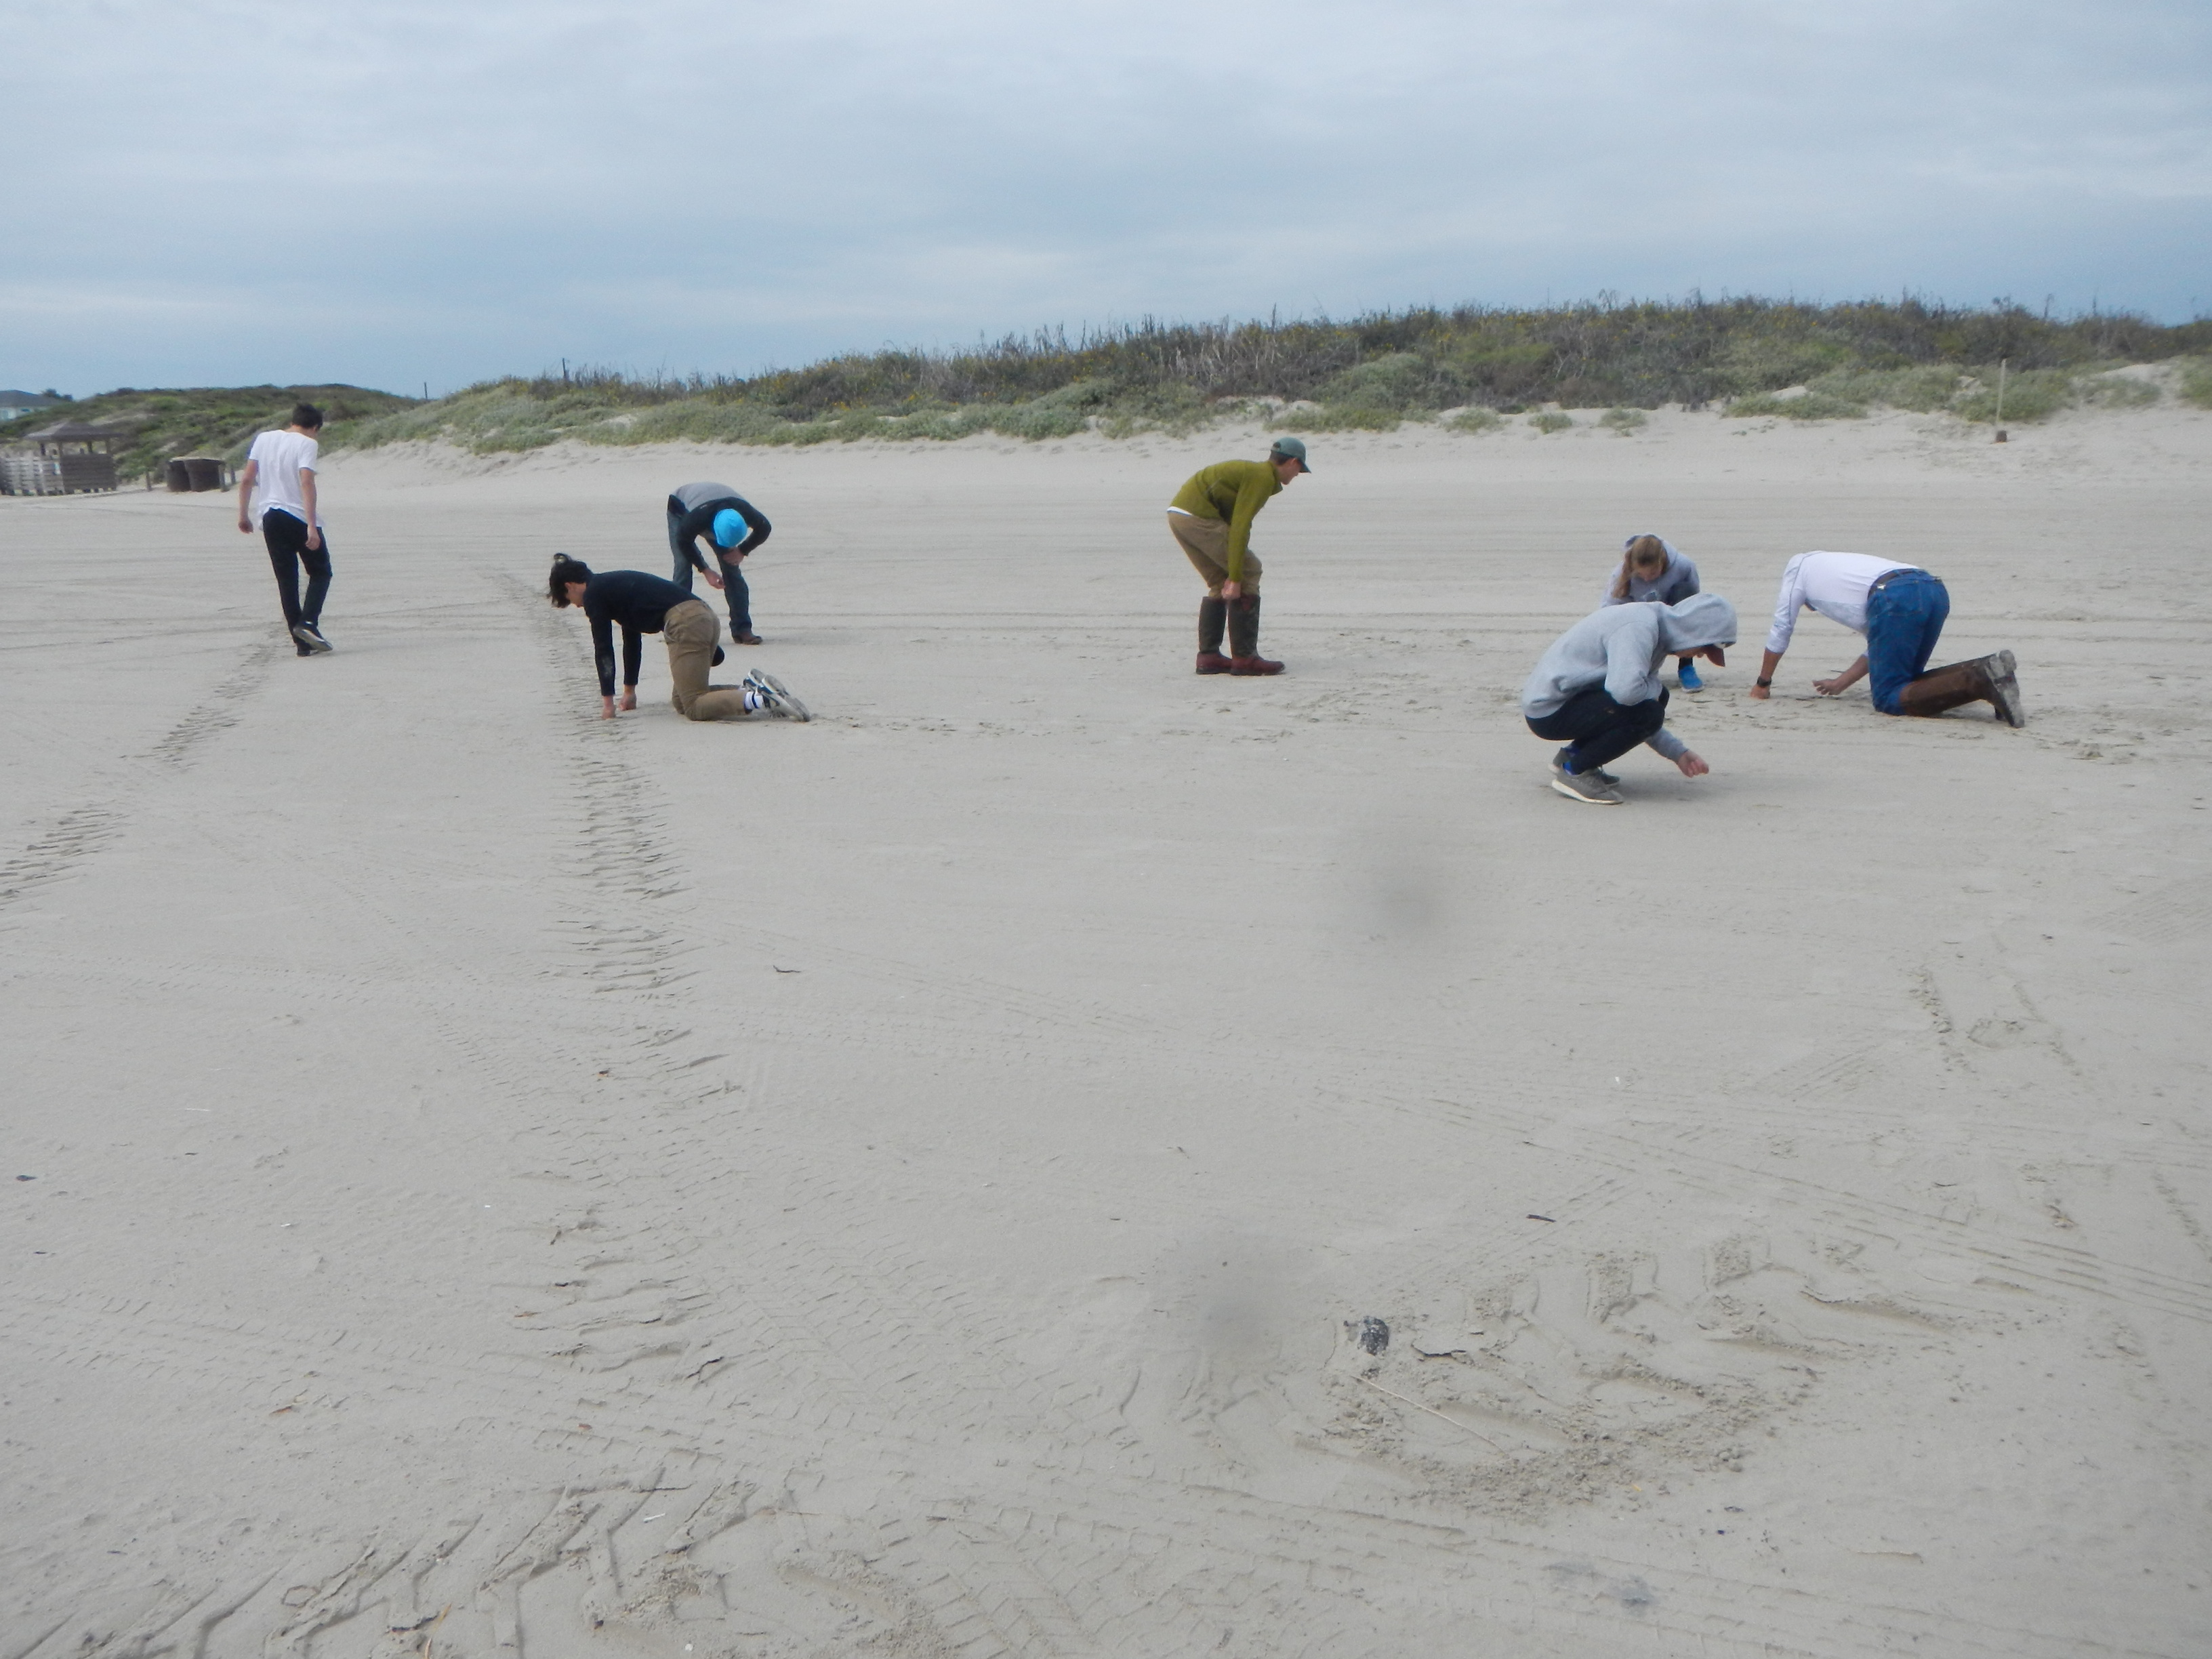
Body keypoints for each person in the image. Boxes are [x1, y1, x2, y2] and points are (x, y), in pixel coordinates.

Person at [1749, 551, 2023, 725]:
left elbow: (1781, 628)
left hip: (1894, 596)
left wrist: (1763, 683)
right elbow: (1878, 644)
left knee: (1888, 699)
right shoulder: (1833, 566)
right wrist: (1841, 683)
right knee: (1908, 680)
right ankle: (1989, 669)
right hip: (1931, 587)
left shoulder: (1796, 573)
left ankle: (1979, 681)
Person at [1521, 594, 1737, 804]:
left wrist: (1677, 753)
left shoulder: (1657, 630)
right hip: (1548, 710)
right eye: (1705, 647)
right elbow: (1626, 694)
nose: (1700, 655)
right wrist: (1655, 688)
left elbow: (1634, 704)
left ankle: (1571, 758)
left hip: (1565, 700)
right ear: (1695, 631)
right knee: (1651, 705)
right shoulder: (1639, 627)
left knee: (1652, 701)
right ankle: (1575, 773)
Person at [546, 554, 806, 723]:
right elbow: (631, 642)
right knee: (682, 700)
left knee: (693, 706)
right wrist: (629, 693)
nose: (577, 606)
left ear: (570, 586)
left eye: (569, 600)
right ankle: (751, 691)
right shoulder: (612, 587)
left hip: (686, 623)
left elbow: (603, 649)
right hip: (702, 615)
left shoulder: (594, 595)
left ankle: (763, 700)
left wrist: (607, 705)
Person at [1166, 436, 1310, 676]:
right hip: (1198, 516)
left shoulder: (1255, 472)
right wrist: (1236, 576)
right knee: (1250, 569)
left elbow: (1234, 524)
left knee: (1218, 582)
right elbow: (1241, 527)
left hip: (1178, 514)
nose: (1297, 475)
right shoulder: (1263, 477)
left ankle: (1209, 657)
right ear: (1293, 462)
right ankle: (1245, 658)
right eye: (1300, 470)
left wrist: (1231, 576)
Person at [236, 403, 333, 656]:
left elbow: (247, 478)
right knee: (321, 572)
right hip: (297, 516)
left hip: (270, 517)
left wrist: (243, 514)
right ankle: (308, 623)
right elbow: (306, 481)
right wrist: (312, 526)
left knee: (287, 580)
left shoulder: (264, 438)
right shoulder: (307, 444)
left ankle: (302, 644)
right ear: (314, 427)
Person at [667, 482, 772, 644]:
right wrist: (705, 570)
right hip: (679, 507)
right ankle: (677, 629)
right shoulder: (696, 520)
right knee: (683, 566)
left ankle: (742, 629)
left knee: (732, 569)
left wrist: (742, 550)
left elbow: (765, 528)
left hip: (719, 505)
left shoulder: (745, 512)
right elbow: (684, 542)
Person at [1601, 534, 1707, 691]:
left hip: (1671, 616)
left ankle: (1686, 667)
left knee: (1685, 593)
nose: (1646, 579)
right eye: (1640, 574)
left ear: (1662, 562)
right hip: (1638, 620)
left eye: (1652, 574)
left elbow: (1694, 603)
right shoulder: (1620, 573)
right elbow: (1609, 611)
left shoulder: (1684, 566)